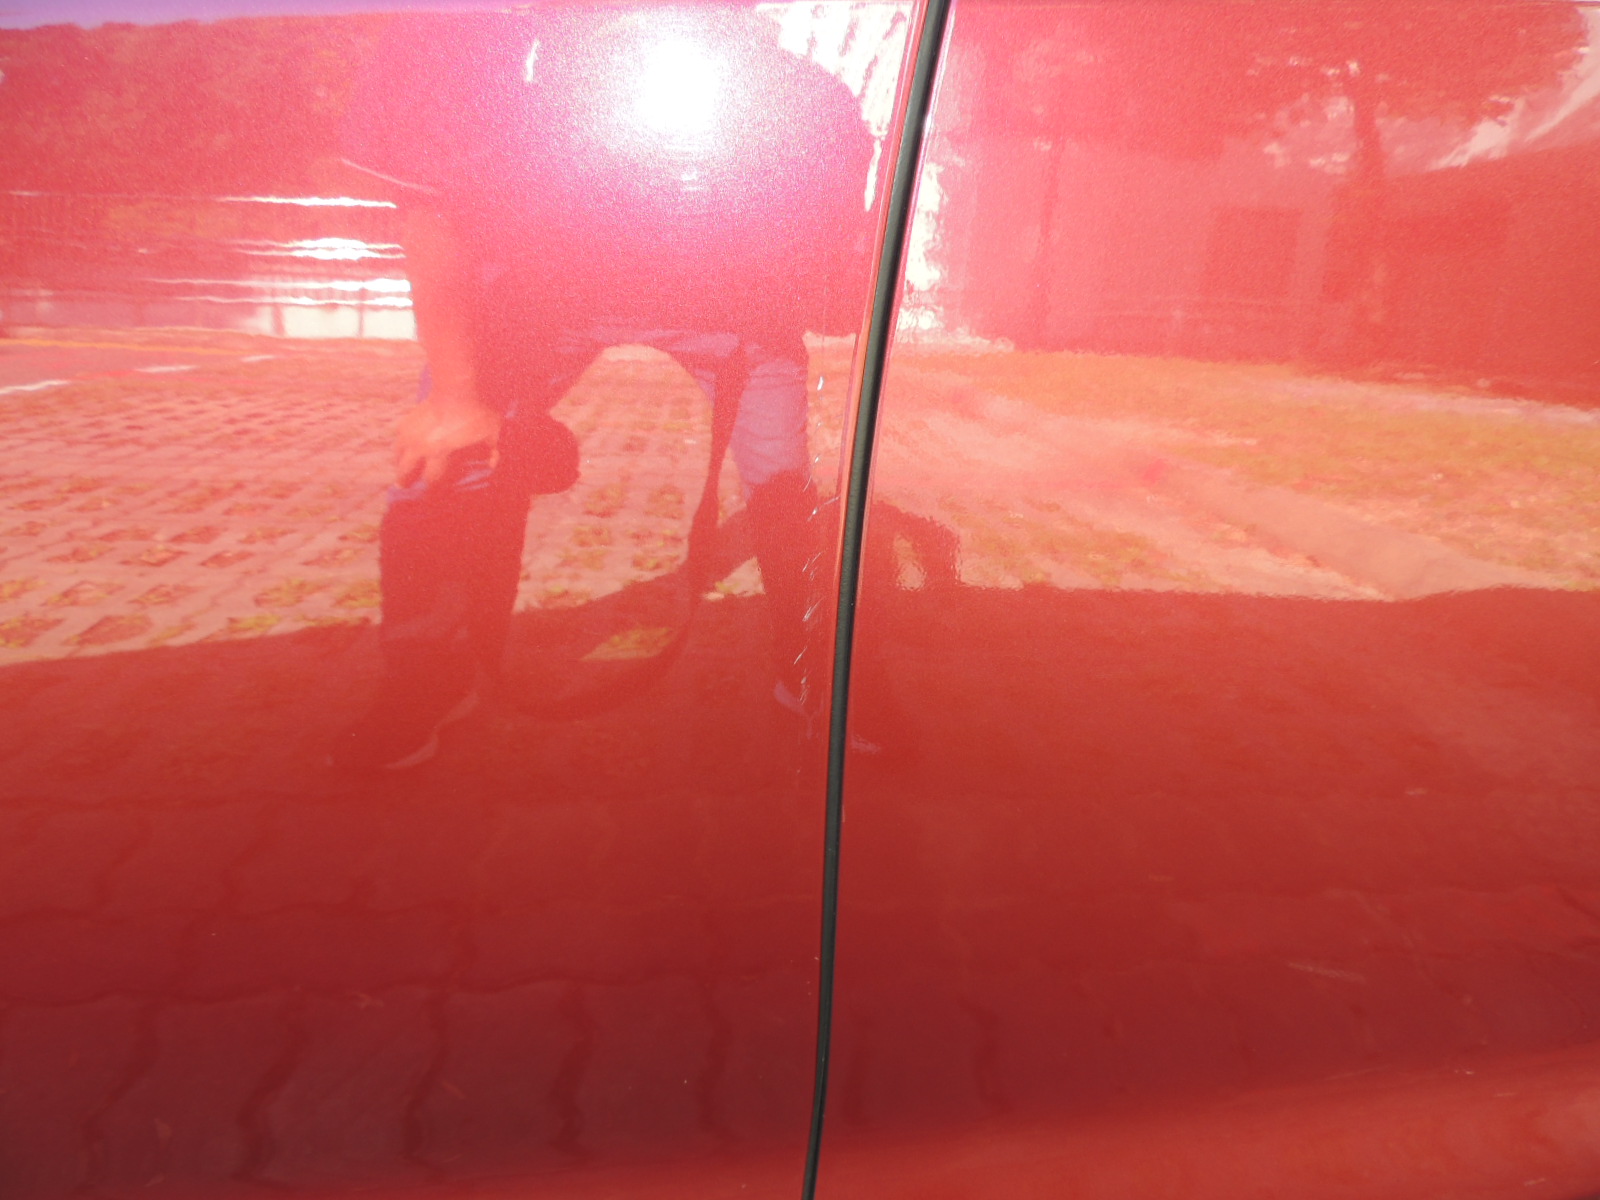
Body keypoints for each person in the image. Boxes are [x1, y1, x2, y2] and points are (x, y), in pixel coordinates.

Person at [332, 5, 874, 769]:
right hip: (542, 290)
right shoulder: (485, 44)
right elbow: (433, 213)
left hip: (726, 303)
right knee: (444, 458)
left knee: (785, 486)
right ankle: (428, 673)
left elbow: (831, 266)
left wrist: (801, 279)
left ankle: (814, 664)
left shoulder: (803, 99)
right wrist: (456, 395)